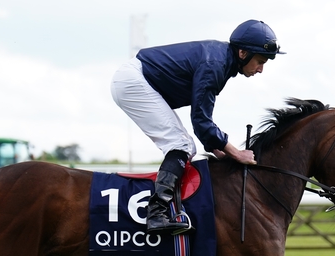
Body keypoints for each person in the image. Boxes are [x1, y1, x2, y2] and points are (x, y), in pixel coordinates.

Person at [111, 19, 284, 235]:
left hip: (135, 79)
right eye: (260, 61)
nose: (260, 69)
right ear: (242, 53)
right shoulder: (215, 64)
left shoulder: (221, 60)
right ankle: (156, 214)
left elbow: (201, 121)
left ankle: (161, 210)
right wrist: (235, 153)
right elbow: (201, 119)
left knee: (185, 145)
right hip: (133, 81)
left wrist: (218, 149)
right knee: (181, 144)